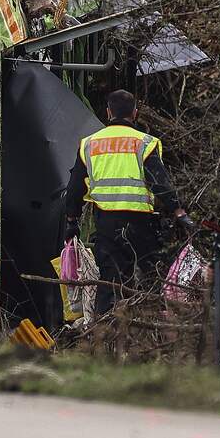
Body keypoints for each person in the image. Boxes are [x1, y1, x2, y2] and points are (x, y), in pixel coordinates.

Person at [64, 89, 190, 315]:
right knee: (152, 278)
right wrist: (178, 211)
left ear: (108, 112)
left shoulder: (89, 144)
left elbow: (75, 188)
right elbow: (160, 183)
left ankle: (103, 336)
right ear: (135, 113)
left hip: (106, 223)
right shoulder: (145, 143)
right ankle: (152, 331)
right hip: (141, 222)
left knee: (110, 282)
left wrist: (72, 219)